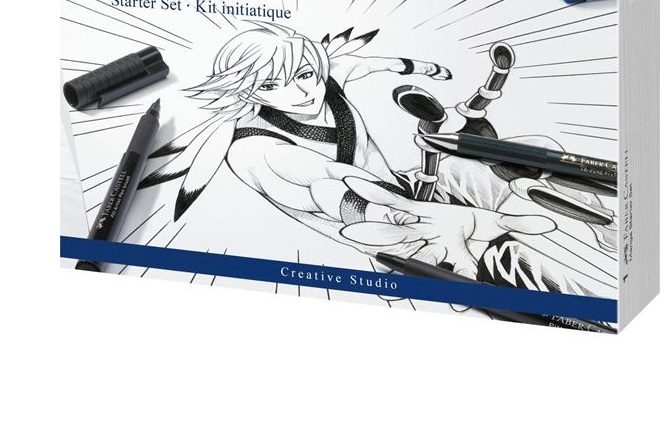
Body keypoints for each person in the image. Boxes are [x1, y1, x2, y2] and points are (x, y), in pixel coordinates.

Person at [141, 20, 615, 296]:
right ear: (247, 89)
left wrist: (424, 69)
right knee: (517, 260)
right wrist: (432, 218)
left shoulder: (325, 76)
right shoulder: (254, 150)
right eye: (270, 84)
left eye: (305, 73)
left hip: (414, 186)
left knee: (533, 151)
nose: (299, 91)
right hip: (401, 236)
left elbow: (368, 64)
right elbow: (333, 194)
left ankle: (605, 225)